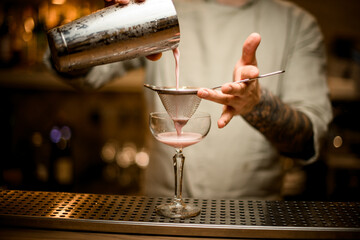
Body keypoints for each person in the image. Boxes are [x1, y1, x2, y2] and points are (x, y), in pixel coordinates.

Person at [47, 0, 332, 200]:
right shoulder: (159, 10)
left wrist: (256, 105)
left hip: (252, 215)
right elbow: (79, 73)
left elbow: (307, 141)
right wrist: (105, 27)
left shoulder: (296, 25)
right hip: (161, 213)